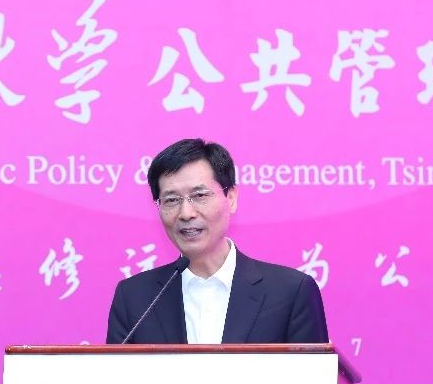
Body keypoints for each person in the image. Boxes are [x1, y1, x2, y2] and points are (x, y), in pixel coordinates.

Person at [106, 138, 329, 344]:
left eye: (199, 196)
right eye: (171, 200)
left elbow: (314, 374)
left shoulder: (290, 292)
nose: (186, 213)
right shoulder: (134, 298)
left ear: (231, 198)